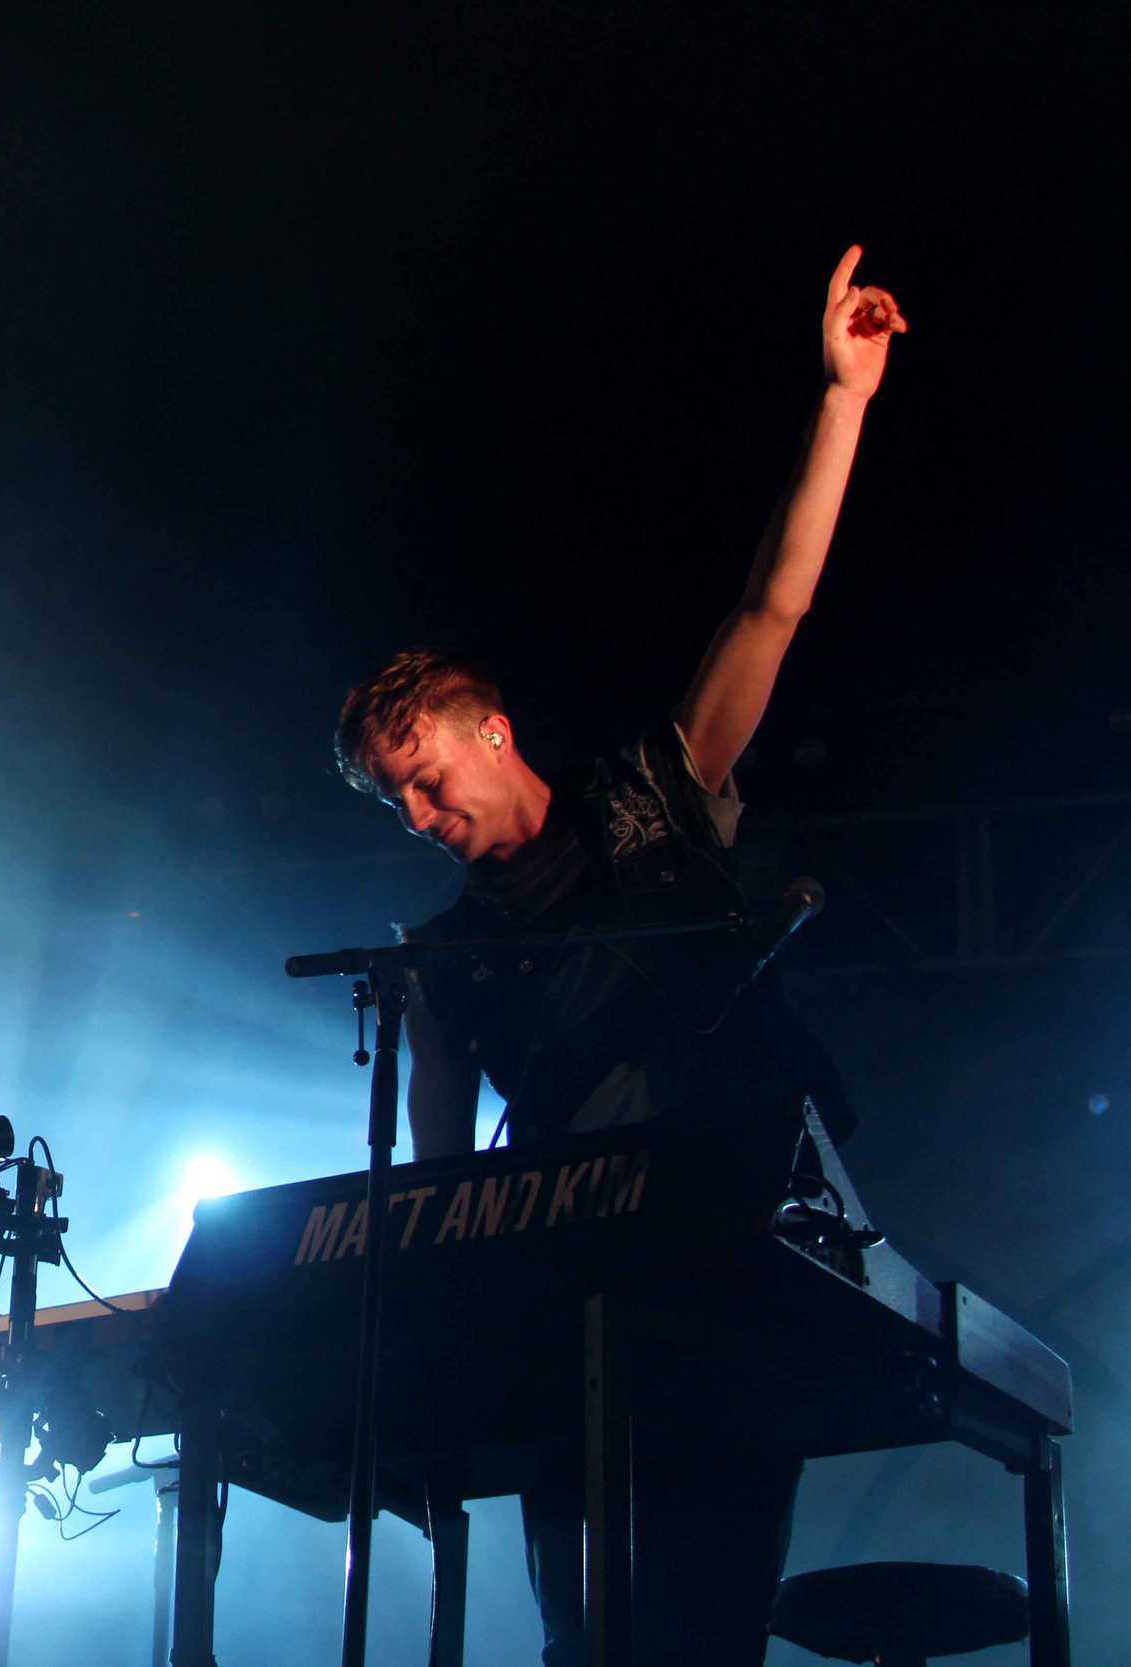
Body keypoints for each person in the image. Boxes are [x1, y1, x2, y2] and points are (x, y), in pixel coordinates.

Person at [331, 247, 905, 1664]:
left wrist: (842, 403)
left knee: (704, 1629)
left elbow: (771, 608)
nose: (417, 814)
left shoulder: (650, 788)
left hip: (734, 1260)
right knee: (583, 1640)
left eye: (421, 774)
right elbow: (445, 1188)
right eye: (391, 801)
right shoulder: (446, 955)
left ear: (491, 729)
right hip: (564, 1308)